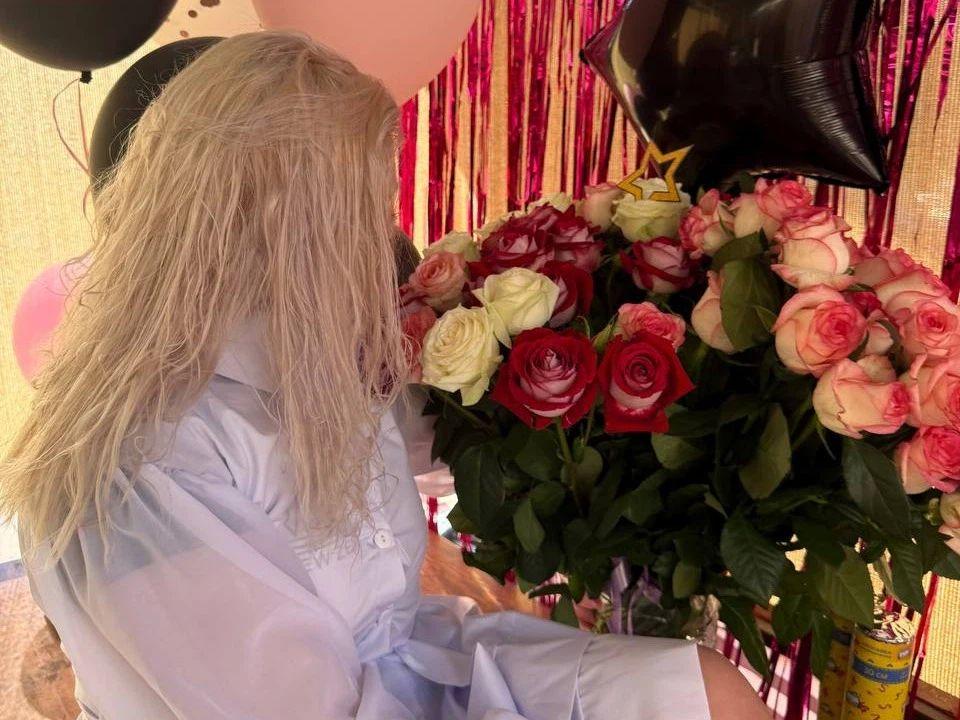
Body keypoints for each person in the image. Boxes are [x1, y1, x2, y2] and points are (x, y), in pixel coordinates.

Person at [0, 32, 769, 720]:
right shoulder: (147, 460)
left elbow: (440, 451)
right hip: (358, 701)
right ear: (286, 222)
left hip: (416, 665)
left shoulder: (307, 355)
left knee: (704, 688)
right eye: (364, 203)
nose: (383, 231)